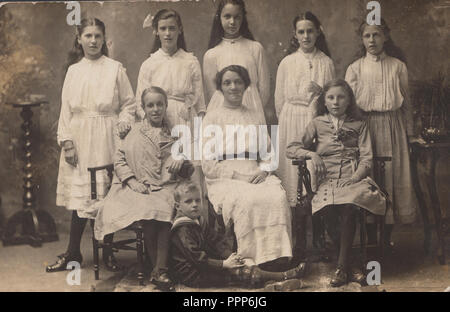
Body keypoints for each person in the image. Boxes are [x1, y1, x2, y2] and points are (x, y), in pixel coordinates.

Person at [46, 18, 136, 273]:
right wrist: (67, 142)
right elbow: (66, 111)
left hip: (107, 137)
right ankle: (72, 253)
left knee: (105, 197)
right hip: (80, 138)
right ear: (79, 39)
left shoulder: (115, 68)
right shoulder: (74, 71)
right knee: (82, 200)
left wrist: (123, 124)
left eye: (98, 36)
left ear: (104, 39)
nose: (93, 41)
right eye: (88, 36)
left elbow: (129, 104)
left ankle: (107, 253)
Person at [286, 79, 386, 287]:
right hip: (326, 181)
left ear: (349, 100)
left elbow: (367, 158)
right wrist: (311, 155)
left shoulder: (360, 124)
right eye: (330, 97)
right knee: (329, 207)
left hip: (353, 178)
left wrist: (354, 178)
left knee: (350, 205)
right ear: (324, 100)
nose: (335, 102)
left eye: (341, 97)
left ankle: (341, 268)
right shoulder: (317, 123)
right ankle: (352, 265)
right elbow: (291, 148)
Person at [91, 86, 194, 288]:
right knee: (148, 209)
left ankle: (159, 268)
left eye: (159, 105)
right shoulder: (132, 131)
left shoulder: (174, 134)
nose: (155, 109)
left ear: (166, 106)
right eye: (150, 105)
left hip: (163, 187)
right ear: (144, 108)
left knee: (165, 207)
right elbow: (119, 160)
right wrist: (132, 181)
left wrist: (179, 159)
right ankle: (160, 269)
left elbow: (186, 171)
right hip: (132, 187)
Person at [202, 65, 293, 269]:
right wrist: (238, 176)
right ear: (220, 88)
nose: (233, 87)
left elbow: (268, 152)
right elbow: (208, 164)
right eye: (227, 82)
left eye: (238, 82)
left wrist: (264, 170)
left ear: (245, 86)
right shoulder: (212, 118)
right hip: (225, 176)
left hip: (255, 170)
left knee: (277, 197)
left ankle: (276, 256)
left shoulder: (253, 116)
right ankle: (249, 259)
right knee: (247, 199)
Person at [345, 19, 418, 246]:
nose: (372, 40)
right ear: (362, 39)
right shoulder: (355, 68)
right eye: (367, 36)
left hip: (392, 127)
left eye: (376, 35)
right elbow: (347, 107)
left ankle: (386, 240)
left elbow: (406, 103)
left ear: (385, 37)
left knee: (391, 179)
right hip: (365, 128)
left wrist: (410, 133)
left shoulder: (398, 66)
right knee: (369, 180)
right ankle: (370, 240)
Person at [135, 8, 207, 220]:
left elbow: (200, 103)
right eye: (163, 28)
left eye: (172, 28)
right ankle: (166, 237)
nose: (167, 33)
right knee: (165, 181)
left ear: (180, 30)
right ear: (156, 32)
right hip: (159, 124)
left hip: (185, 122)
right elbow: (141, 106)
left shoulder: (190, 61)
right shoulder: (149, 64)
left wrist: (196, 137)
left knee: (189, 180)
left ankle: (194, 238)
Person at [274, 12, 335, 259]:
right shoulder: (287, 62)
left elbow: (334, 97)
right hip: (291, 119)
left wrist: (321, 94)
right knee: (294, 177)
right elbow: (278, 101)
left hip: (317, 120)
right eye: (301, 32)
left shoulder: (326, 62)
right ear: (295, 35)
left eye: (310, 31)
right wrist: (289, 124)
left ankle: (319, 236)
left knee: (315, 176)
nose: (306, 36)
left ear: (318, 32)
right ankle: (298, 239)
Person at [169, 182, 306, 288]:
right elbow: (197, 259)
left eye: (197, 200)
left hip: (204, 266)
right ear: (177, 206)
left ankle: (269, 282)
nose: (194, 205)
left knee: (241, 265)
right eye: (188, 201)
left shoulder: (198, 220)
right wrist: (224, 264)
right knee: (240, 273)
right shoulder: (182, 229)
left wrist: (231, 256)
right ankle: (283, 277)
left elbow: (216, 241)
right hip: (193, 274)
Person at [203, 0, 269, 124]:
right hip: (222, 114)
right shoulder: (211, 54)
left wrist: (254, 109)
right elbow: (213, 93)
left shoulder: (255, 48)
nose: (232, 22)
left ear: (243, 18)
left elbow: (264, 90)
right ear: (219, 18)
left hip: (252, 108)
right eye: (227, 16)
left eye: (237, 17)